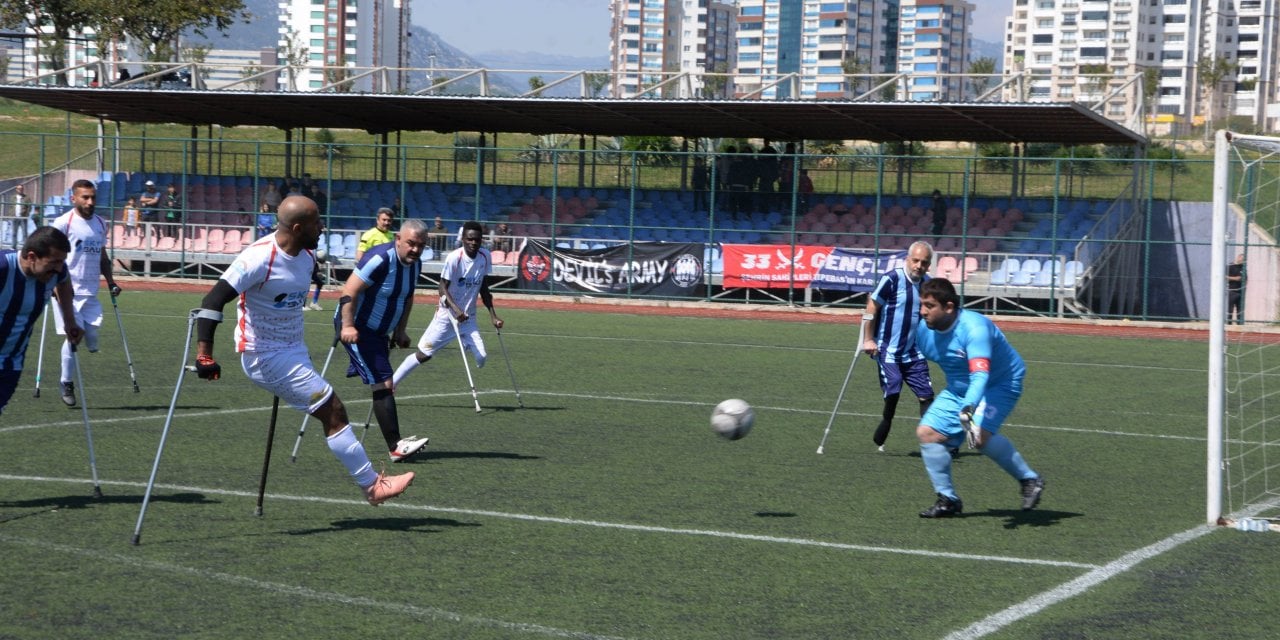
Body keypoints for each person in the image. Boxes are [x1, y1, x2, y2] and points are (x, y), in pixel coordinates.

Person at [191, 195, 415, 505]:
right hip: (263, 354)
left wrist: (314, 277)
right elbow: (212, 301)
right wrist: (205, 354)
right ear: (297, 228)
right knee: (333, 409)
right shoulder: (257, 259)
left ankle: (371, 485)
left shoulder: (308, 255)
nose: (323, 227)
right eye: (316, 223)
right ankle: (372, 486)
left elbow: (297, 277)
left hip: (294, 349)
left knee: (329, 409)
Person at [912, 277, 1044, 518]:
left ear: (949, 307)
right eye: (922, 304)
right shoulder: (923, 331)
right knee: (927, 434)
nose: (922, 312)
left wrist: (968, 408)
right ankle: (948, 499)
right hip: (959, 388)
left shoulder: (974, 329)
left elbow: (981, 375)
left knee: (979, 436)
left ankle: (1030, 479)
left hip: (999, 383)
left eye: (929, 306)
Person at [337, 218, 432, 462]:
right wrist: (347, 326)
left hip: (380, 332)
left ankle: (396, 443)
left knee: (384, 381)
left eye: (421, 245)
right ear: (398, 239)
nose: (415, 249)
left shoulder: (415, 264)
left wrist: (401, 330)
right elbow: (349, 291)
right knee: (383, 382)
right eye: (411, 243)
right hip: (357, 327)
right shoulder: (379, 259)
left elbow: (407, 296)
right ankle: (396, 446)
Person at [393, 220, 504, 388]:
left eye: (477, 240)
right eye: (469, 239)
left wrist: (493, 315)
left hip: (468, 318)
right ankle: (392, 384)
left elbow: (483, 285)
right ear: (463, 239)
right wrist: (456, 310)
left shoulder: (485, 256)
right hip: (448, 317)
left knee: (482, 358)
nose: (473, 243)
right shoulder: (455, 258)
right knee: (424, 354)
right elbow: (442, 287)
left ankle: (466, 341)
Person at [49, 179, 121, 407]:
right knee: (74, 335)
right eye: (85, 197)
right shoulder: (63, 223)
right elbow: (50, 256)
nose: (90, 202)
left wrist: (111, 282)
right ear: (74, 199)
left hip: (90, 289)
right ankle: (66, 382)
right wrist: (52, 283)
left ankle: (87, 340)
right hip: (66, 290)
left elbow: (102, 256)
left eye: (93, 197)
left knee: (92, 335)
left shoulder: (101, 223)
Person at [0, 227, 82, 416]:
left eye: (62, 262)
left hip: (10, 365)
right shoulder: (4, 267)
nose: (59, 268)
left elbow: (64, 282)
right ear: (31, 257)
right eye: (54, 262)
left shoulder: (57, 272)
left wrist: (69, 321)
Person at [863, 241, 935, 451]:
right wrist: (868, 339)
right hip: (888, 350)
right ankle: (886, 421)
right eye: (916, 261)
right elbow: (871, 307)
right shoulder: (892, 279)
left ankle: (933, 439)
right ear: (908, 259)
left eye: (924, 262)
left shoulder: (926, 285)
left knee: (927, 396)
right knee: (893, 389)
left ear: (929, 265)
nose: (919, 266)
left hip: (913, 351)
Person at [1227, 253, 1245, 325]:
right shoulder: (1230, 266)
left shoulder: (1243, 267)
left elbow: (1242, 278)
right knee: (1230, 309)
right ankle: (1229, 324)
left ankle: (1240, 325)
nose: (1243, 261)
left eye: (1244, 260)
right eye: (1242, 259)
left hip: (1240, 291)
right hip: (1232, 291)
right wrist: (1234, 278)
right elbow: (1224, 276)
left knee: (1240, 310)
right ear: (1238, 257)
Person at [11, 184, 32, 249]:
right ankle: (13, 247)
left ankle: (25, 247)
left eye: (22, 189)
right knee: (14, 233)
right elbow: (11, 206)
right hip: (15, 217)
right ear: (16, 189)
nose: (20, 190)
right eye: (19, 189)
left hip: (23, 217)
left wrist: (27, 214)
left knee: (24, 233)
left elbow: (30, 207)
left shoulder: (27, 197)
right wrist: (11, 213)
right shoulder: (13, 197)